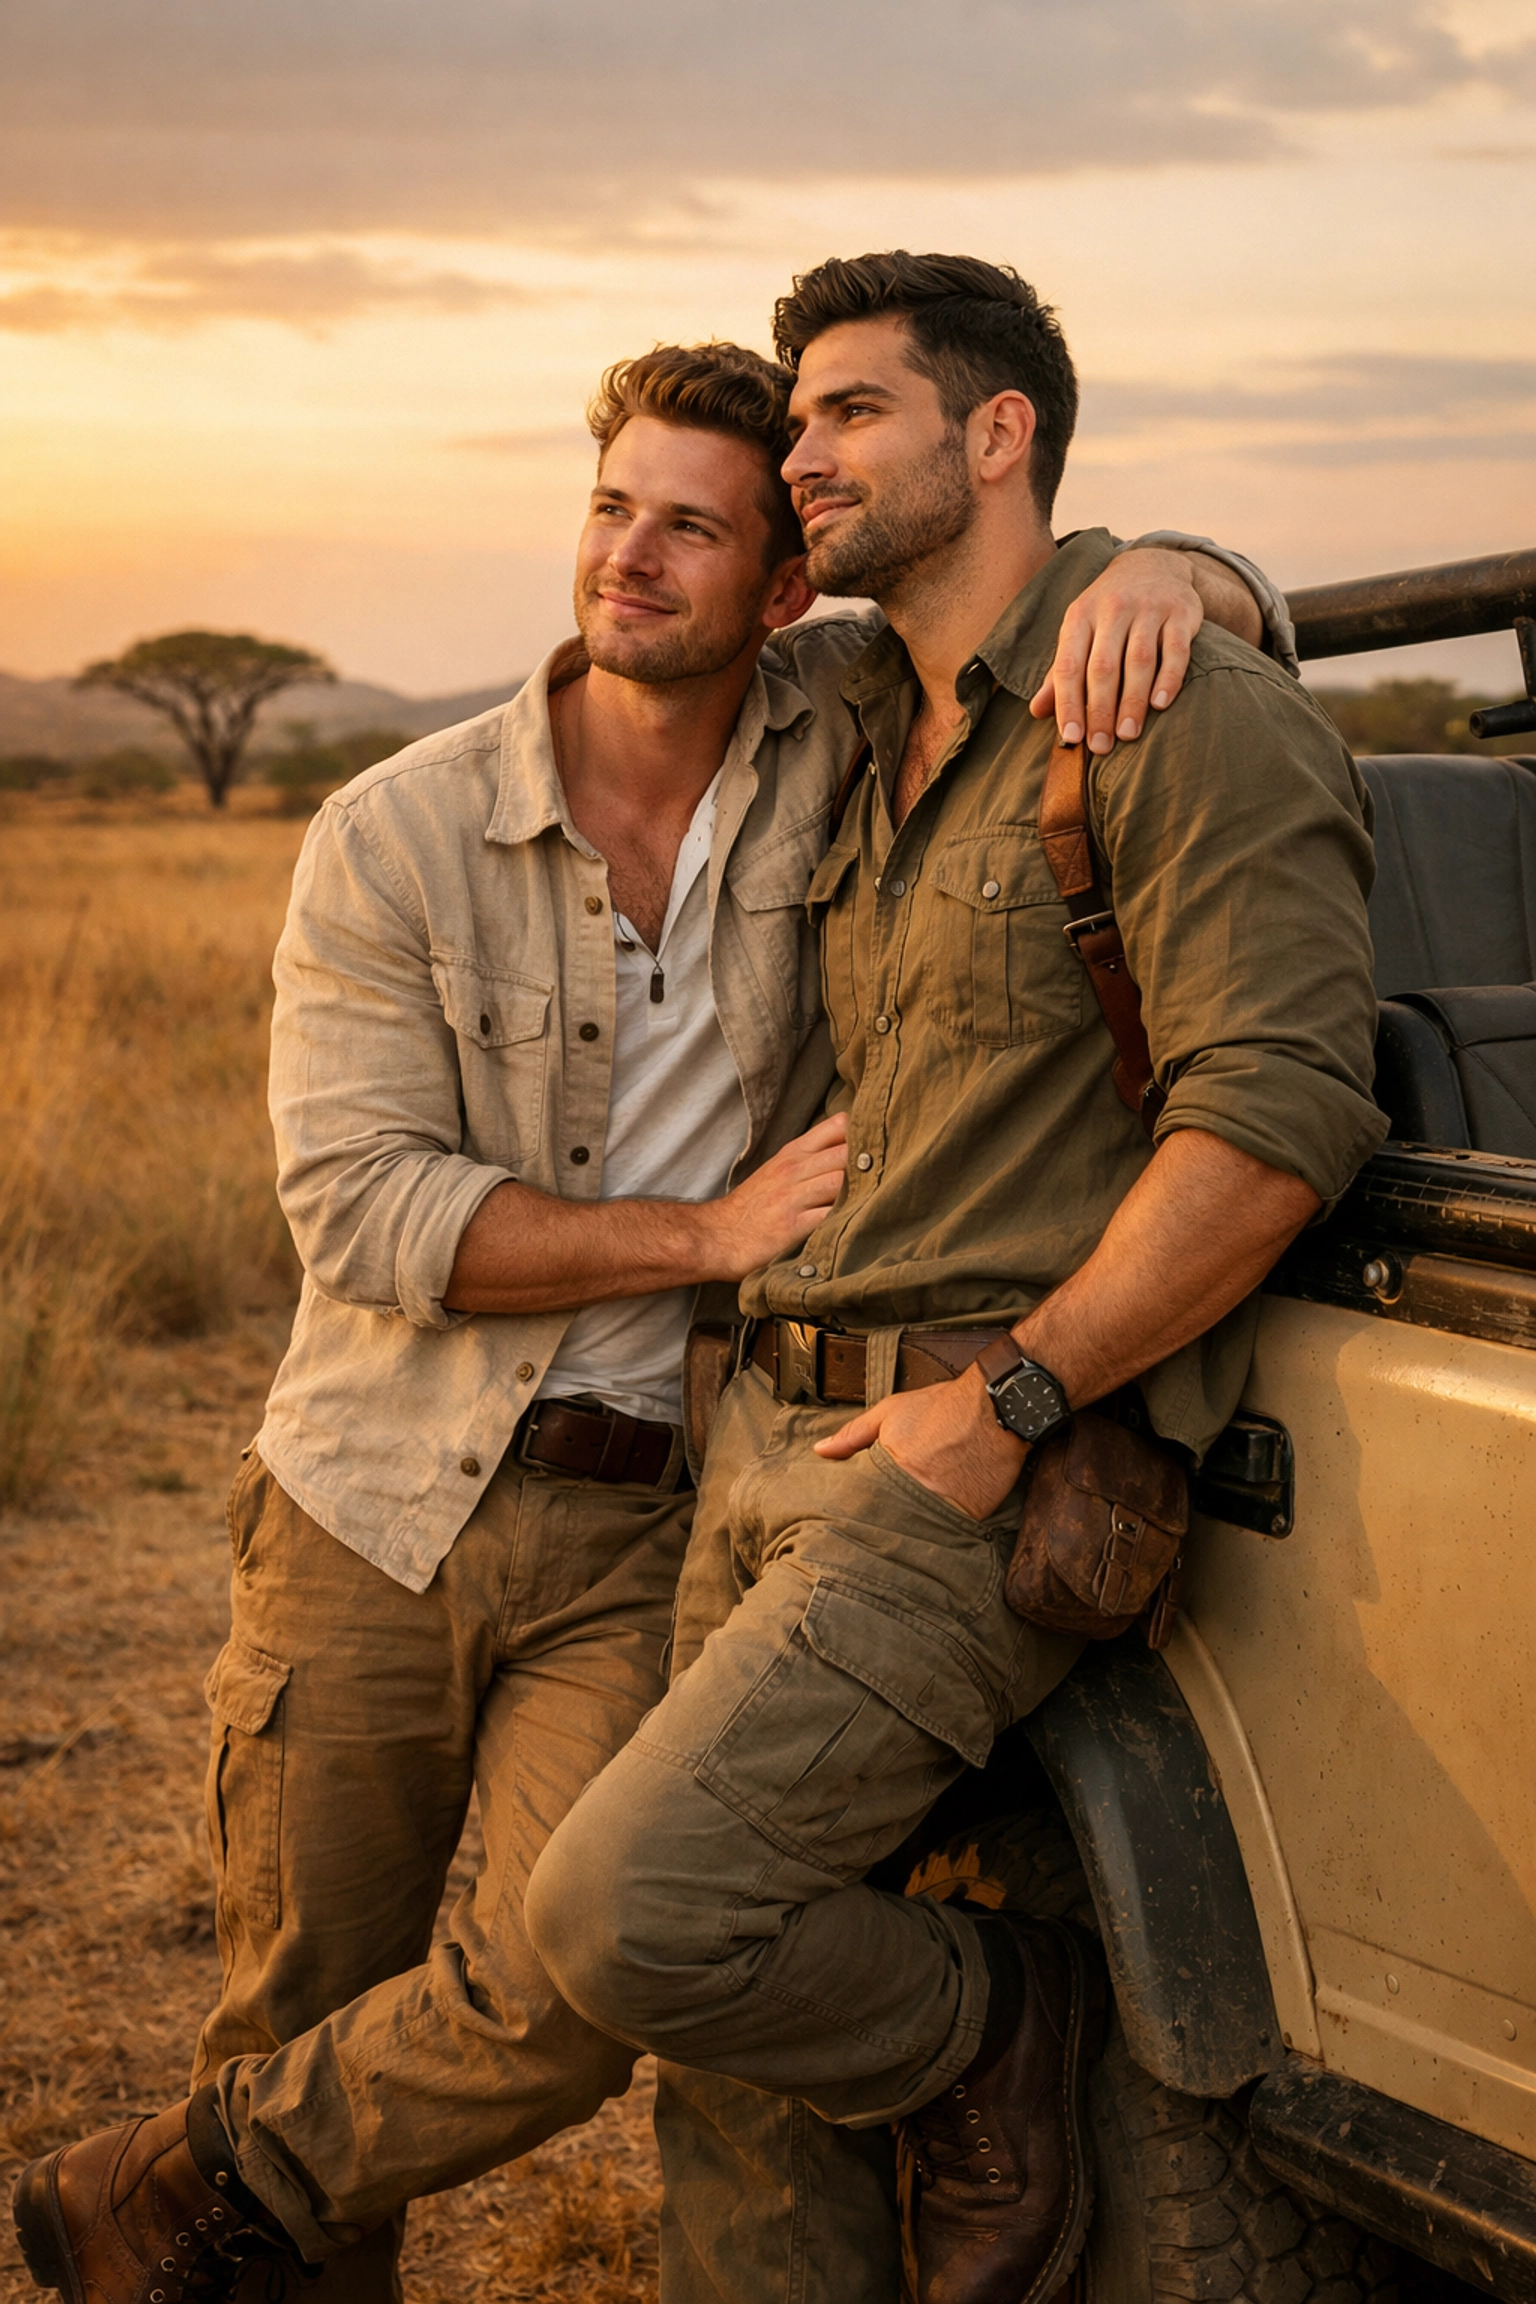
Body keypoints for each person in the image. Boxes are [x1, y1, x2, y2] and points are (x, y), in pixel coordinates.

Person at [11, 326, 1285, 2304]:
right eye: (613, 509)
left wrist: (1182, 570)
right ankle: (233, 2192)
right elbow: (359, 1211)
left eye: (694, 529)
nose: (631, 556)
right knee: (308, 1999)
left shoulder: (847, 729)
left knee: (587, 1969)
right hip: (371, 1498)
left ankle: (185, 2182)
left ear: (784, 590)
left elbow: (1050, 606)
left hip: (655, 1512)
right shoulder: (397, 830)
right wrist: (701, 1235)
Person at [513, 254, 1388, 2304]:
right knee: (733, 2089)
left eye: (850, 412)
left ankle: (1007, 2021)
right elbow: (661, 654)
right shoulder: (854, 707)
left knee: (633, 1915)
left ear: (998, 435)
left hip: (968, 1452)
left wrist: (1016, 1402)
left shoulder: (1168, 706)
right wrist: (1204, 560)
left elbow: (1273, 1125)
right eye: (797, 419)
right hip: (772, 1423)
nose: (801, 454)